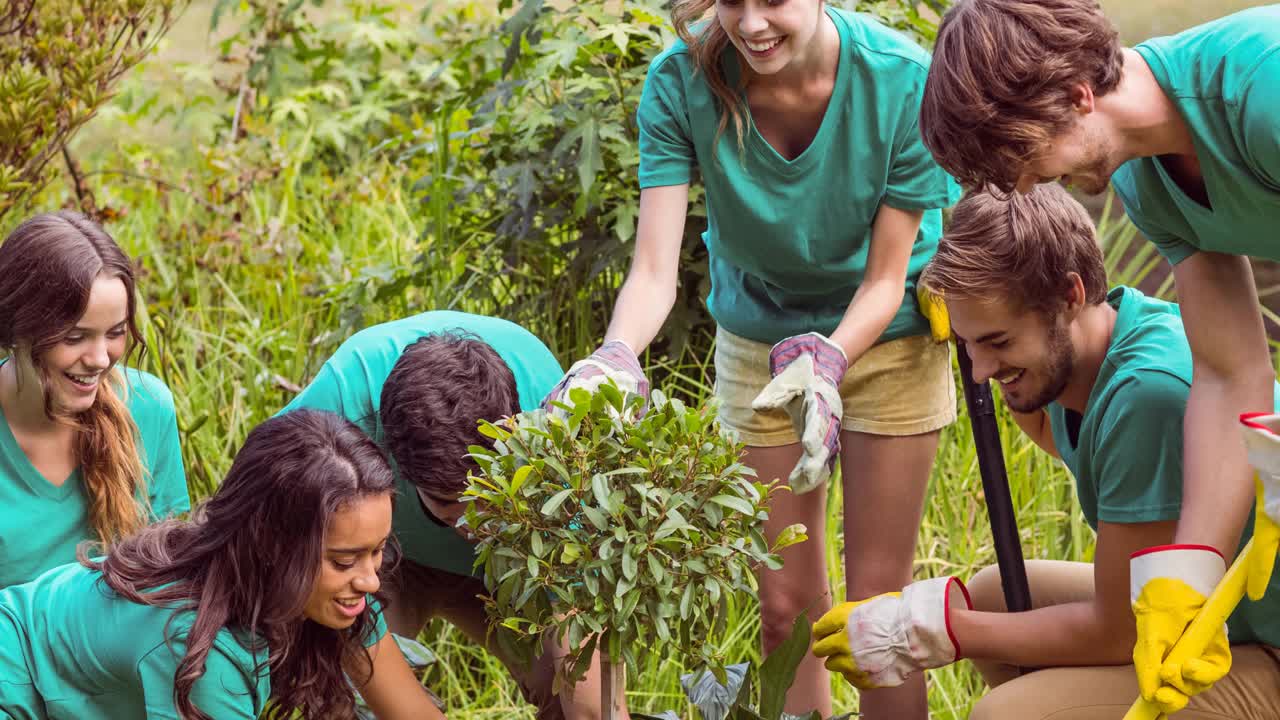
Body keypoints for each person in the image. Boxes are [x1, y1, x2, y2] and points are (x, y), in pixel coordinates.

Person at [544, 1, 959, 716]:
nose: (752, 23)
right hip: (759, 342)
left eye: (773, 0)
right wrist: (614, 355)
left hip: (888, 337)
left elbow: (886, 280)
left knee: (877, 611)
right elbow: (653, 271)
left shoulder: (902, 82)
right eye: (733, 1)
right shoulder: (680, 82)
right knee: (785, 607)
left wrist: (830, 360)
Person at [917, 1, 1280, 708]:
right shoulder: (1151, 183)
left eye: (1021, 159)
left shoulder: (1262, 91)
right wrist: (1192, 566)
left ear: (1076, 93)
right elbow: (1230, 370)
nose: (1024, 188)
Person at [810, 185, 1280, 719]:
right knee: (992, 596)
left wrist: (929, 630)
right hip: (1221, 617)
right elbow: (1062, 434)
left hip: (1263, 645)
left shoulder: (1146, 396)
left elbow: (1115, 631)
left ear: (1070, 294)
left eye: (999, 341)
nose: (981, 371)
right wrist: (978, 328)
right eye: (970, 344)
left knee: (1005, 715)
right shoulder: (1096, 344)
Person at [280, 311, 618, 719]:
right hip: (383, 561)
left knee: (565, 689)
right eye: (448, 503)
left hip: (517, 561)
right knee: (344, 698)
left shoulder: (554, 419)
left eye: (488, 497)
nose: (472, 526)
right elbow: (262, 528)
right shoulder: (342, 398)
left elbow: (587, 673)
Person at [0, 409, 442, 719]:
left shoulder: (335, 592)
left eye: (377, 549)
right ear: (272, 547)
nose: (368, 580)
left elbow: (413, 715)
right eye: (344, 561)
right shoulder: (201, 650)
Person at [0, 210, 188, 589]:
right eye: (74, 338)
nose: (100, 359)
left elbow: (169, 579)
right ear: (15, 330)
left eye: (116, 332)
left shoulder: (148, 408)